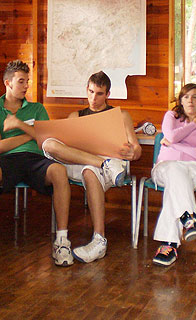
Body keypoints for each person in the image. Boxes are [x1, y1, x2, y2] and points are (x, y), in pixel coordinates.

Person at [0, 60, 73, 266]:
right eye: (21, 81)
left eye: (27, 81)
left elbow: (46, 138)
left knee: (60, 172)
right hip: (7, 159)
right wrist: (31, 134)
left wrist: (19, 125)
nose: (26, 86)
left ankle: (62, 240)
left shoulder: (37, 109)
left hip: (36, 159)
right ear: (7, 83)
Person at [40, 71, 141, 263]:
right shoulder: (76, 115)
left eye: (100, 93)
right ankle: (102, 164)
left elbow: (136, 148)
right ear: (86, 90)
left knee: (91, 170)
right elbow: (64, 145)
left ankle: (99, 240)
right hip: (80, 161)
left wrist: (133, 153)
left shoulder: (121, 115)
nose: (94, 98)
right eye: (91, 92)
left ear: (108, 94)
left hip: (109, 164)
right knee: (49, 144)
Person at [148, 83, 196, 266]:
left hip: (193, 170)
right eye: (186, 97)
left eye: (195, 97)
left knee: (175, 185)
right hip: (164, 167)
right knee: (175, 171)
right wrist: (193, 125)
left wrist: (174, 145)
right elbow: (171, 134)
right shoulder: (171, 116)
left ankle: (170, 243)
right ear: (180, 100)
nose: (190, 101)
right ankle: (188, 218)